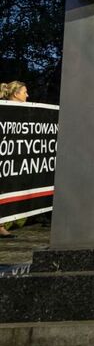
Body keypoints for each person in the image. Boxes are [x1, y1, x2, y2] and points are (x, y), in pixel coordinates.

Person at [1, 81, 30, 237]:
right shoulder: (4, 109)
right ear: (15, 93)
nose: (27, 95)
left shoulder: (24, 111)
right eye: (24, 92)